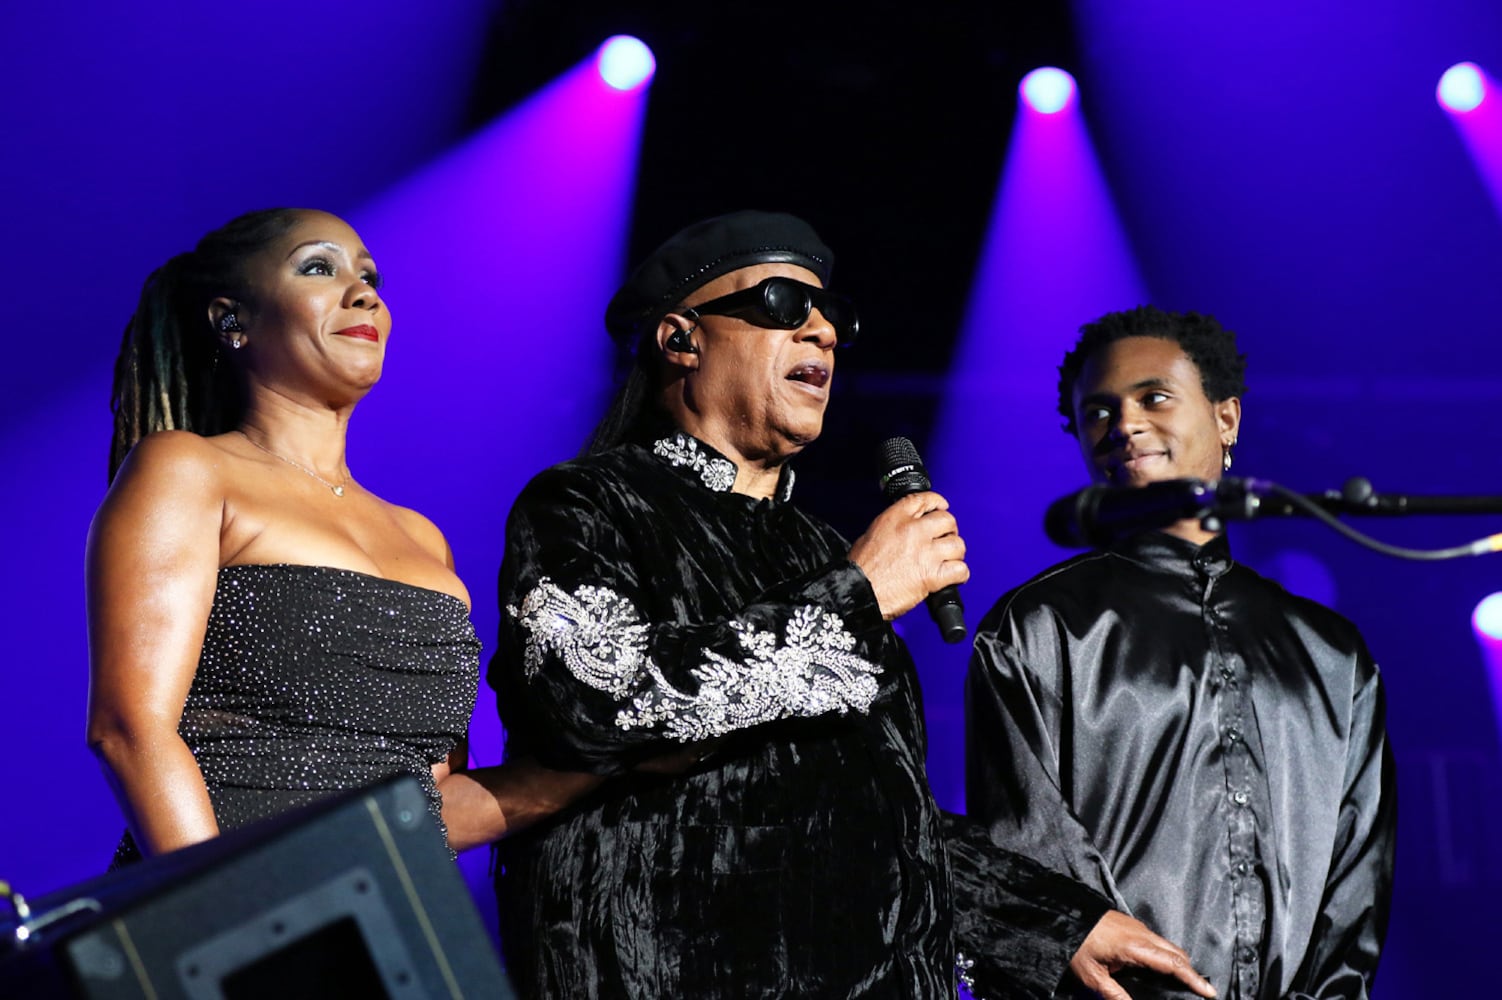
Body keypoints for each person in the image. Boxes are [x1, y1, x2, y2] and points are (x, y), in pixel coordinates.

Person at [487, 212, 1218, 999]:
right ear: (680, 339)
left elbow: (881, 812)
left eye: (833, 314)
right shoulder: (589, 505)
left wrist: (1057, 922)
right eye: (781, 303)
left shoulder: (821, 552)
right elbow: (594, 698)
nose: (823, 331)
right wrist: (857, 597)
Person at [966, 306, 1396, 999]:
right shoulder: (1038, 627)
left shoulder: (1331, 652)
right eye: (1098, 413)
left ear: (1227, 419)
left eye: (1153, 398)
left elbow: (1355, 889)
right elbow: (1035, 862)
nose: (1124, 425)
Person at [88, 208, 486, 863]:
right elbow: (130, 728)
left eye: (369, 275)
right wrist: (235, 913)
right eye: (319, 267)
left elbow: (434, 799)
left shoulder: (424, 540)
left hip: (391, 919)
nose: (365, 293)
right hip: (222, 916)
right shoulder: (188, 470)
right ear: (232, 321)